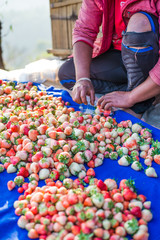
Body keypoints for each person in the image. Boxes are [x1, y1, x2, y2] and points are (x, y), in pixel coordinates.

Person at [58, 0, 160, 118]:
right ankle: (149, 91)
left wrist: (130, 97)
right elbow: (84, 30)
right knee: (68, 74)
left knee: (140, 21)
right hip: (120, 56)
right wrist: (82, 78)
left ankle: (139, 104)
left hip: (152, 60)